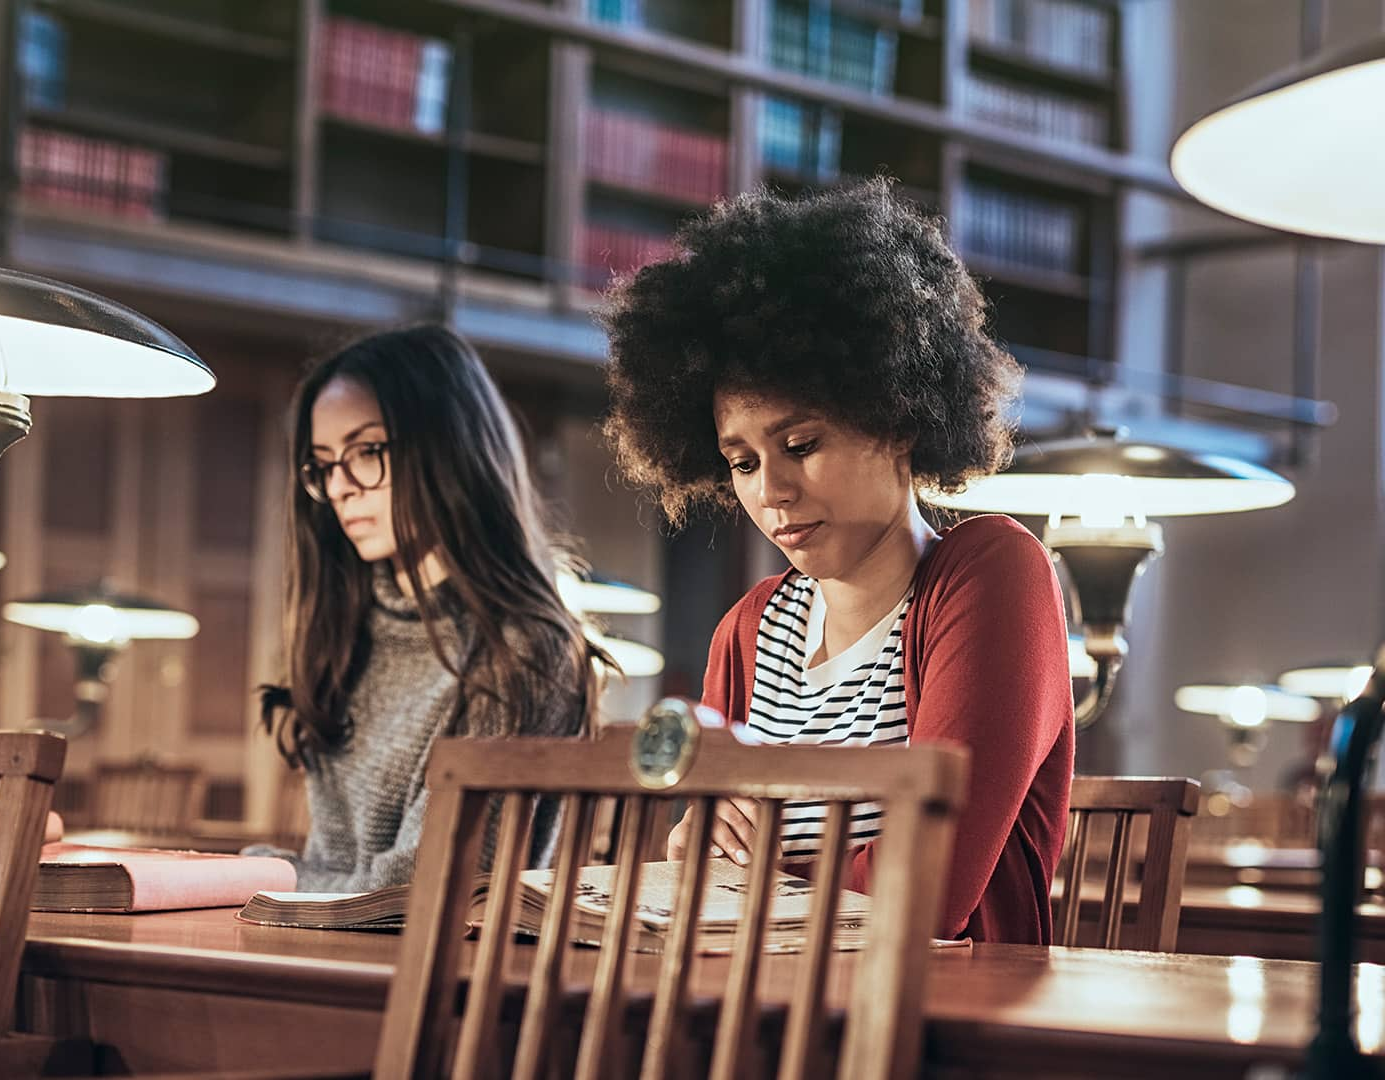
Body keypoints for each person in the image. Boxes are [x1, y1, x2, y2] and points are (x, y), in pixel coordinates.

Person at [600, 179, 1075, 945]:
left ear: (899, 419)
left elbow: (927, 889)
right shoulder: (749, 633)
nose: (772, 491)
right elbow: (706, 864)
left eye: (801, 446)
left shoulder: (993, 575)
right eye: (743, 462)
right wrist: (692, 847)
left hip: (935, 1028)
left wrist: (754, 874)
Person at [257, 325, 606, 891]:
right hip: (326, 947)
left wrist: (271, 877)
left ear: (448, 449)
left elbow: (421, 886)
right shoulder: (349, 626)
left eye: (367, 451)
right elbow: (339, 867)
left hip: (435, 969)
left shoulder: (522, 649)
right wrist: (252, 872)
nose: (341, 486)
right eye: (323, 464)